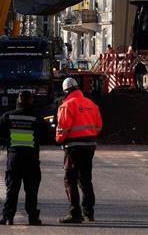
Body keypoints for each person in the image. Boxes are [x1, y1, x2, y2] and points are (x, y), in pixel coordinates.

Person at [0, 90, 53, 225]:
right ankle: (32, 217)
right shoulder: (37, 118)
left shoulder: (8, 116)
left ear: (18, 100)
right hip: (31, 158)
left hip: (14, 157)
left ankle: (8, 217)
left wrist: (8, 135)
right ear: (31, 100)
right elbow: (49, 135)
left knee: (12, 188)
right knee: (31, 189)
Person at [55, 77, 102, 224]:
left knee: (70, 179)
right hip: (89, 145)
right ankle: (89, 213)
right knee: (86, 180)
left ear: (65, 91)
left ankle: (75, 213)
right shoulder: (91, 104)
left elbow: (62, 129)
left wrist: (59, 139)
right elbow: (98, 127)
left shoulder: (66, 105)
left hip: (73, 147)